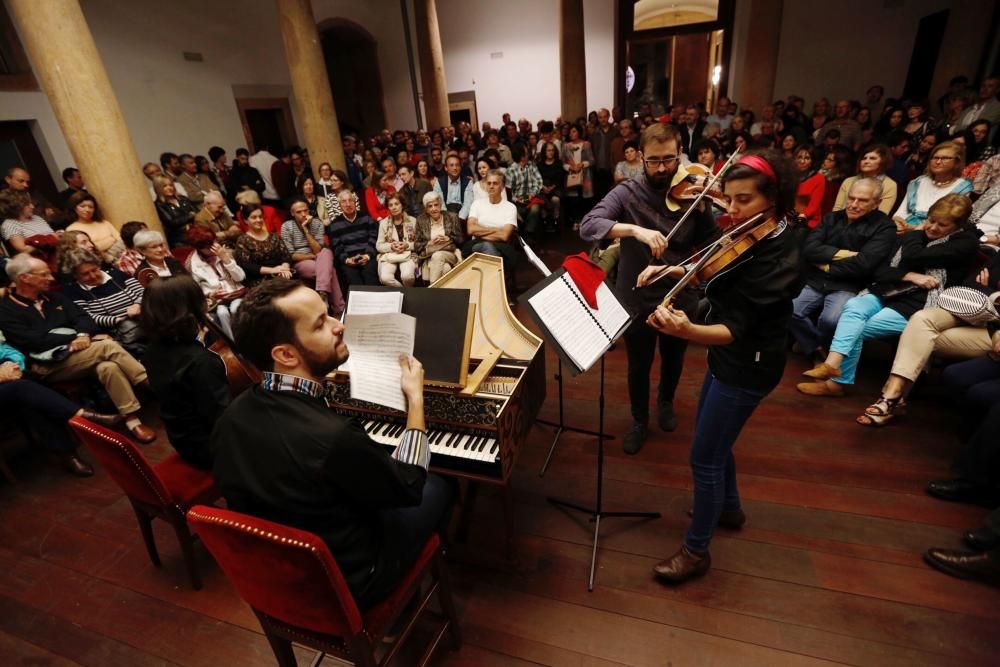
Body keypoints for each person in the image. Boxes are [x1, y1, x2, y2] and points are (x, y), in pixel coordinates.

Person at [210, 278, 453, 609]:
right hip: (349, 582)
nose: (339, 326)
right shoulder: (333, 437)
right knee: (441, 485)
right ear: (285, 354)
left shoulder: (229, 418)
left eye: (329, 314)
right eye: (321, 324)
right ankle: (408, 596)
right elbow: (408, 485)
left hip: (278, 578)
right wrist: (416, 401)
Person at [642, 149, 801, 583]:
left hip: (748, 362)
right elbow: (713, 266)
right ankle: (729, 509)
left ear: (774, 196)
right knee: (716, 440)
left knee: (704, 458)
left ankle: (696, 552)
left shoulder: (779, 249)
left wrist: (685, 331)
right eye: (727, 199)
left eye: (743, 200)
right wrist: (670, 271)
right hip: (728, 358)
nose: (731, 211)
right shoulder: (755, 229)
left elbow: (735, 328)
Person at [581, 123, 718, 454]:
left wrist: (686, 265)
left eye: (669, 160)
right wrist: (632, 231)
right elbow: (589, 225)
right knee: (638, 364)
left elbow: (712, 241)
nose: (661, 168)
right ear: (641, 157)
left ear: (680, 155)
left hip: (679, 291)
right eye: (654, 160)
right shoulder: (628, 192)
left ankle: (666, 402)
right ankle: (639, 419)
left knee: (674, 357)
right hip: (637, 295)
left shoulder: (694, 191)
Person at [798, 194, 979, 397]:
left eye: (942, 225)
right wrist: (910, 275)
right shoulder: (917, 237)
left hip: (919, 303)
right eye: (931, 220)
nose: (932, 228)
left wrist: (914, 232)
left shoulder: (964, 243)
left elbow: (913, 255)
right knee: (853, 308)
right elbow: (879, 270)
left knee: (857, 328)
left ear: (958, 226)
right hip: (886, 289)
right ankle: (832, 365)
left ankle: (835, 383)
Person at [0, 254, 155, 443]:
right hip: (47, 365)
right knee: (107, 345)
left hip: (81, 354)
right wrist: (75, 336)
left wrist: (83, 335)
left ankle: (132, 421)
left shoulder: (54, 297)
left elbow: (84, 319)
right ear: (25, 278)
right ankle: (153, 386)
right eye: (44, 274)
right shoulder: (6, 310)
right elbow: (35, 340)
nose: (51, 278)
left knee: (108, 367)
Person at [790, 178, 896, 360]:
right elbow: (809, 249)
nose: (854, 205)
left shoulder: (884, 227)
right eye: (851, 198)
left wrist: (826, 265)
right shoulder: (832, 218)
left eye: (862, 200)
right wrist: (846, 254)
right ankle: (816, 349)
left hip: (848, 284)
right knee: (789, 310)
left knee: (831, 320)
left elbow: (864, 264)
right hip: (816, 280)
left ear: (876, 203)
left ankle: (816, 347)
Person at [141, 275, 230, 469]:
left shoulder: (151, 350)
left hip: (183, 439)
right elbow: (223, 421)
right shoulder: (202, 362)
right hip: (212, 449)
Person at [0, 339, 121, 477]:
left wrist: (12, 365)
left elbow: (10, 351)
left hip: (9, 381)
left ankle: (68, 454)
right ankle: (84, 416)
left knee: (31, 395)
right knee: (22, 388)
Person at [62, 248, 147, 357]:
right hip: (119, 332)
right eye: (85, 274)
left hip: (144, 318)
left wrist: (138, 304)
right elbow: (87, 316)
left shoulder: (116, 274)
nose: (93, 276)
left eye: (94, 270)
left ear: (99, 265)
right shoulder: (74, 291)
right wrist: (115, 320)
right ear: (75, 275)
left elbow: (144, 292)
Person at [892, 141, 973, 233]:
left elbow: (949, 223)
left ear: (957, 162)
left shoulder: (963, 186)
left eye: (945, 158)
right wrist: (898, 221)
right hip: (903, 228)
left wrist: (913, 228)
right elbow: (901, 212)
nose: (938, 162)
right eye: (935, 158)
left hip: (933, 234)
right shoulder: (919, 181)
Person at [184, 224, 246, 341]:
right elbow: (196, 290)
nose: (212, 248)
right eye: (207, 247)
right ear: (198, 248)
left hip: (236, 293)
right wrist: (211, 294)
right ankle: (234, 344)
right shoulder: (191, 264)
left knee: (235, 308)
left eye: (213, 243)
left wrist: (226, 259)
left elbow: (240, 277)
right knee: (222, 314)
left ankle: (246, 339)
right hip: (217, 301)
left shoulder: (225, 251)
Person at [281, 199, 342, 313]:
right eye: (299, 212)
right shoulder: (287, 226)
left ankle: (322, 292)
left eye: (305, 210)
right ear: (292, 213)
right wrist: (313, 257)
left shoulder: (317, 223)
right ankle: (339, 309)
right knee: (330, 270)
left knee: (326, 252)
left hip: (319, 257)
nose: (304, 214)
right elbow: (291, 255)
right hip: (302, 262)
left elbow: (318, 250)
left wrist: (305, 230)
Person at [463, 170, 519, 276]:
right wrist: (495, 229)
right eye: (489, 183)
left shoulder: (510, 207)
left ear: (502, 187)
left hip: (501, 246)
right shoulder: (477, 204)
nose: (491, 186)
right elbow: (471, 230)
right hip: (476, 244)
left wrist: (480, 229)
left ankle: (491, 281)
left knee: (488, 247)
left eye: (495, 183)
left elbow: (504, 236)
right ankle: (497, 280)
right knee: (485, 246)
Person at [233, 203, 293, 286]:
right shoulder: (243, 241)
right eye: (254, 217)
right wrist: (272, 270)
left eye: (260, 217)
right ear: (246, 220)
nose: (258, 220)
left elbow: (286, 255)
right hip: (261, 278)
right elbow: (247, 266)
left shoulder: (273, 236)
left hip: (282, 272)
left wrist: (284, 268)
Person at [329, 190, 379, 287]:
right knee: (353, 280)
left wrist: (367, 256)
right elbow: (337, 246)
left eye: (350, 200)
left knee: (370, 276)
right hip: (349, 258)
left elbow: (373, 238)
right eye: (344, 201)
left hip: (367, 255)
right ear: (339, 205)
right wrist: (347, 259)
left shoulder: (366, 218)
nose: (348, 204)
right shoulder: (335, 224)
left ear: (355, 202)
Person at [833, 145, 899, 214]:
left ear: (883, 162)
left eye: (872, 158)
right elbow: (837, 209)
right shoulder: (848, 181)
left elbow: (882, 214)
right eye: (864, 158)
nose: (866, 161)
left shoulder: (890, 185)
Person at [66, 192, 124, 262]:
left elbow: (121, 240)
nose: (87, 210)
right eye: (82, 206)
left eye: (91, 207)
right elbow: (87, 251)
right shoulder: (71, 229)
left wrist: (101, 247)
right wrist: (110, 240)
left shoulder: (104, 222)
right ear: (75, 208)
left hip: (122, 257)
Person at [375, 193, 418, 287]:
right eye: (391, 205)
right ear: (388, 208)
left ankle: (408, 294)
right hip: (390, 255)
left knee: (407, 276)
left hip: (408, 254)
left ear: (402, 205)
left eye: (396, 204)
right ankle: (405, 293)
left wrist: (407, 245)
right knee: (385, 278)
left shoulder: (412, 221)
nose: (394, 207)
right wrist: (391, 246)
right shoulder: (383, 223)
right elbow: (379, 245)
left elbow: (419, 243)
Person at [506, 145, 544, 245]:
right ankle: (520, 236)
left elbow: (539, 181)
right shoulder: (511, 170)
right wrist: (517, 199)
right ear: (522, 156)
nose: (528, 155)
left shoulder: (532, 165)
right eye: (526, 153)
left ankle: (529, 233)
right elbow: (508, 192)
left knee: (535, 208)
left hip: (530, 198)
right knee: (515, 211)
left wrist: (532, 193)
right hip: (516, 201)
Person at [0, 189, 55, 256]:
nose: (32, 206)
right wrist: (51, 240)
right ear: (17, 208)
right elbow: (24, 250)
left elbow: (52, 235)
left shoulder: (36, 218)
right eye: (27, 204)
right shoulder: (9, 224)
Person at [561, 124, 594, 230]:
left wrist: (582, 164)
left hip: (585, 175)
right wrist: (570, 167)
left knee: (585, 199)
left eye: (574, 131)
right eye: (570, 132)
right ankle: (576, 220)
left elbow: (592, 161)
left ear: (579, 132)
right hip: (572, 175)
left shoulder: (586, 144)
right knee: (573, 199)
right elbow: (562, 163)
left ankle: (585, 222)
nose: (572, 134)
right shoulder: (566, 146)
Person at [152, 174, 199, 247]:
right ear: (158, 188)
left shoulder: (182, 198)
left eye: (170, 185)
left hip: (196, 233)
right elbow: (172, 222)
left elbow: (197, 212)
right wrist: (190, 216)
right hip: (179, 240)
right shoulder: (159, 205)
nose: (169, 188)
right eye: (165, 186)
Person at [432, 155, 474, 223]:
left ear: (460, 167)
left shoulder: (468, 182)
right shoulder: (439, 182)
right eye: (451, 165)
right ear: (446, 168)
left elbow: (468, 204)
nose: (455, 168)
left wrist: (458, 220)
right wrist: (447, 219)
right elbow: (440, 203)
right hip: (445, 217)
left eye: (457, 165)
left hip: (462, 218)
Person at [794, 145, 826, 228]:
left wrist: (802, 216)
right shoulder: (790, 175)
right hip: (791, 216)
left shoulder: (819, 178)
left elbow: (813, 205)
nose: (802, 161)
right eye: (799, 157)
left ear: (812, 161)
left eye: (807, 158)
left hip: (809, 220)